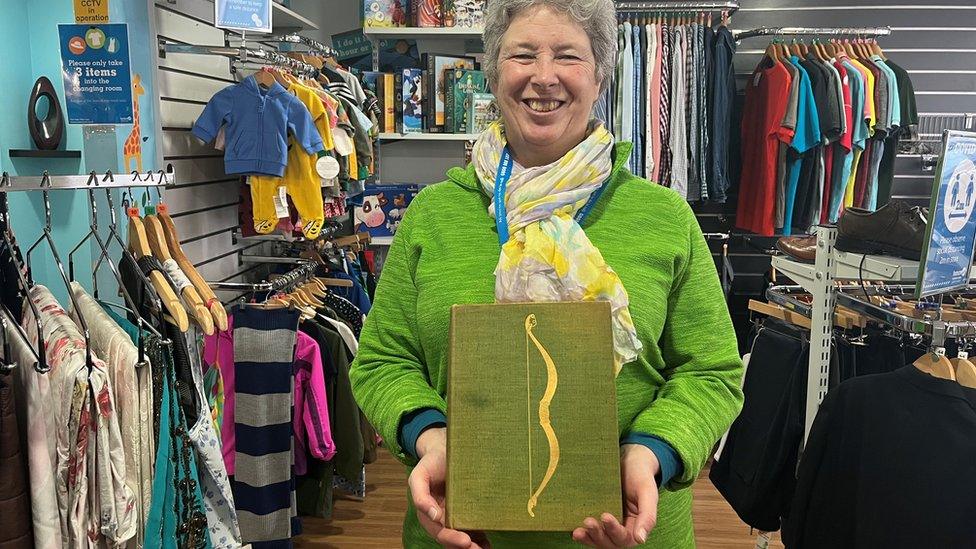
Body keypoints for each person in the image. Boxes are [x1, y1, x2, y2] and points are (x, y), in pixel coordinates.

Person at [350, 0, 744, 547]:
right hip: (461, 529)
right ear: (492, 71)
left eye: (568, 55)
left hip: (628, 532)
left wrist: (654, 450)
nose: (544, 76)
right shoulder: (434, 215)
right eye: (522, 55)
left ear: (601, 76)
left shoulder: (663, 217)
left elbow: (713, 373)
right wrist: (428, 435)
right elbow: (382, 361)